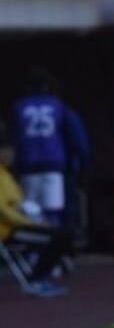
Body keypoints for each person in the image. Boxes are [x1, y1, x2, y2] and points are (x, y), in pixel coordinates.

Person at [9, 67, 89, 227]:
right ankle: (53, 249)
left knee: (30, 212)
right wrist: (83, 165)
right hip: (53, 166)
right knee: (53, 213)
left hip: (27, 165)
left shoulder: (18, 107)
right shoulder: (58, 106)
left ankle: (34, 250)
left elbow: (13, 139)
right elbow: (78, 139)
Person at [0, 143, 71, 297]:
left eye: (11, 152)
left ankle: (40, 277)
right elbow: (5, 212)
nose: (10, 156)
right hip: (9, 231)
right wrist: (32, 223)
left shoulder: (6, 175)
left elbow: (21, 205)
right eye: (6, 152)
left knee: (63, 233)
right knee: (56, 237)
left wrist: (37, 219)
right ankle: (35, 280)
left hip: (21, 225)